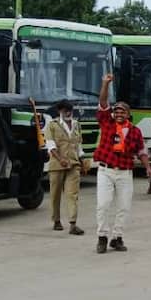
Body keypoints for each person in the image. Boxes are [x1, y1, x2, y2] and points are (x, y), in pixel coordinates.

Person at [93, 74, 151, 254]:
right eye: (116, 111)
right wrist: (105, 83)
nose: (119, 114)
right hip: (106, 170)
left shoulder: (135, 131)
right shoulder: (107, 123)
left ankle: (117, 237)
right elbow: (103, 102)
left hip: (125, 172)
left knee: (124, 207)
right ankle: (102, 237)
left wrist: (148, 167)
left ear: (128, 115)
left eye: (122, 112)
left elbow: (141, 151)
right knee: (103, 205)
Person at [45, 99, 85, 235]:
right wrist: (60, 159)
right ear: (59, 111)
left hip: (73, 164)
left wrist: (82, 161)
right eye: (65, 111)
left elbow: (79, 146)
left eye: (70, 111)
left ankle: (73, 224)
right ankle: (56, 220)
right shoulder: (52, 125)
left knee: (72, 194)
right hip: (57, 165)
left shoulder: (76, 125)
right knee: (55, 194)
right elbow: (50, 146)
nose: (68, 113)